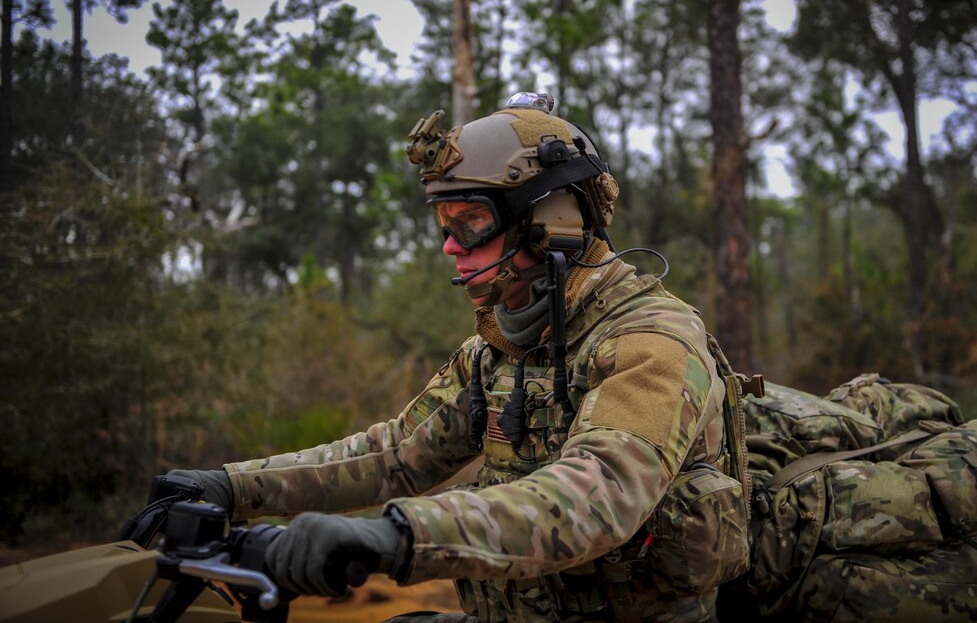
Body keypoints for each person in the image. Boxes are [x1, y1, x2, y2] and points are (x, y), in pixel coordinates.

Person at [166, 93, 751, 622]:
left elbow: (597, 497)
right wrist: (228, 488)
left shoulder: (654, 337)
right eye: (444, 224)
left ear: (552, 221)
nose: (450, 245)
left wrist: (395, 537)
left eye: (471, 223)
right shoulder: (498, 347)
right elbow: (395, 454)